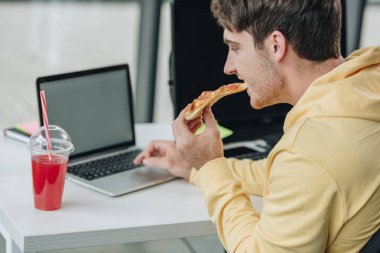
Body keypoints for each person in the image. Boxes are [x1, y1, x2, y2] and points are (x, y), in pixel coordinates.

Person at [134, 0, 380, 252]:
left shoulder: (309, 152)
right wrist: (194, 166)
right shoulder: (367, 82)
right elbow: (280, 176)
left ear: (276, 45)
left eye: (235, 48)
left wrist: (210, 167)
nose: (228, 67)